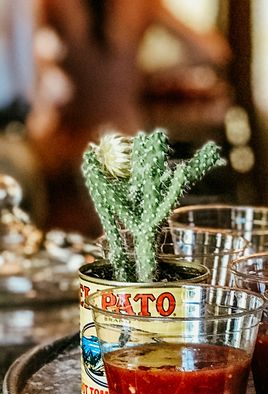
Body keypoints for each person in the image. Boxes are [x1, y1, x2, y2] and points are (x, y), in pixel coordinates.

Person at [29, 0, 229, 231]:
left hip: (70, 143)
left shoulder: (54, 4)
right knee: (125, 242)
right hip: (129, 142)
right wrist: (141, 74)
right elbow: (211, 51)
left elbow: (29, 62)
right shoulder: (143, 4)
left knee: (63, 245)